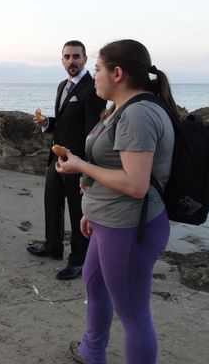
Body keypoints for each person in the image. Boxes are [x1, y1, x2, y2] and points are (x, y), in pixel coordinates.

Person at [56, 39, 177, 364]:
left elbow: (136, 184)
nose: (93, 75)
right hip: (107, 222)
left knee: (134, 316)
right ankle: (92, 352)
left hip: (130, 229)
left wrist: (79, 166)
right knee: (95, 286)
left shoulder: (138, 115)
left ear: (118, 73)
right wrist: (91, 210)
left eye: (97, 69)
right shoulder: (118, 109)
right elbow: (112, 166)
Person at [28, 40, 106, 280]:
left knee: (76, 210)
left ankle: (78, 260)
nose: (71, 61)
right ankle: (53, 246)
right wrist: (47, 124)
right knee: (51, 202)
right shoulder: (63, 85)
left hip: (77, 161)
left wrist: (86, 168)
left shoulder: (92, 88)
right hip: (57, 156)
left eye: (76, 57)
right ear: (62, 60)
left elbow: (94, 130)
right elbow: (64, 121)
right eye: (67, 57)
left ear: (84, 60)